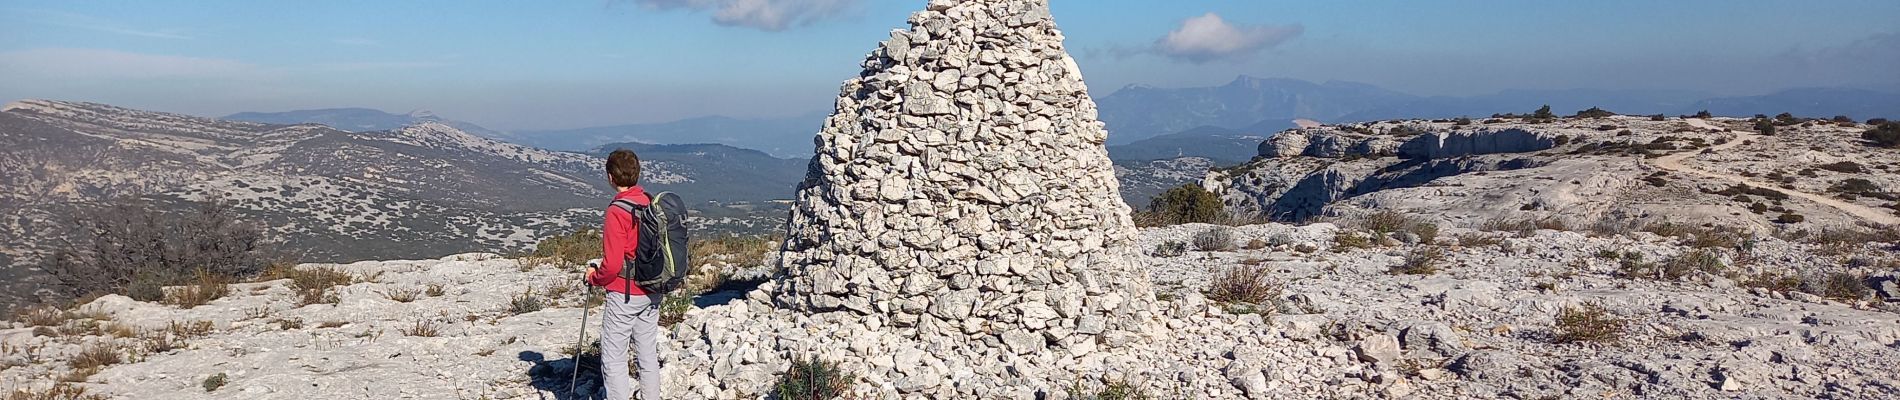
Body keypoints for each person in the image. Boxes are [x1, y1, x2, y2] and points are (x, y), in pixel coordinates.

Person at [585, 149, 663, 400]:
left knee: (614, 357)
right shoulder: (648, 200)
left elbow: (612, 265)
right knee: (647, 354)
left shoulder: (617, 211)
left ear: (610, 177)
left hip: (625, 293)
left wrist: (594, 278)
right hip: (652, 289)